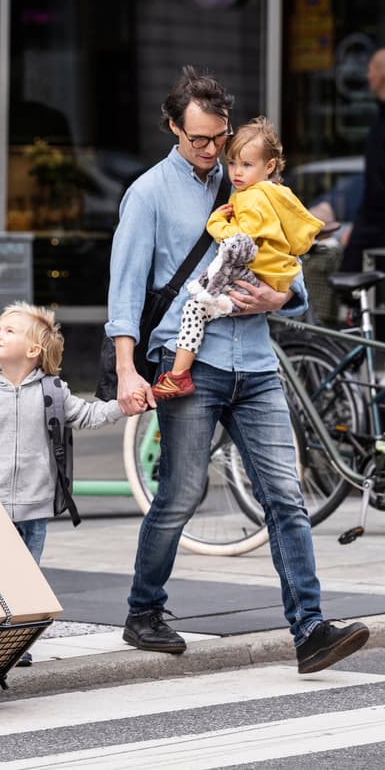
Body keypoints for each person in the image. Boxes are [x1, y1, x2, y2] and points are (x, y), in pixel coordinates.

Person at [107, 66, 369, 673]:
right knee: (180, 492)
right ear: (173, 127)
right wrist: (126, 369)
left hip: (254, 361)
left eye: (219, 139)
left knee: (286, 496)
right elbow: (124, 291)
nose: (211, 151)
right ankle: (144, 611)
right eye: (198, 139)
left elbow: (289, 268)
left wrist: (281, 298)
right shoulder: (148, 193)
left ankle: (309, 629)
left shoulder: (250, 183)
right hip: (187, 363)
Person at [0, 301, 125, 665]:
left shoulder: (52, 393)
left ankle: (13, 642)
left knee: (25, 578)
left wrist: (124, 406)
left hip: (34, 506)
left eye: (10, 330)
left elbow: (87, 415)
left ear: (32, 351)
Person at [152, 116, 324, 400]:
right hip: (272, 277)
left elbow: (240, 243)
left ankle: (179, 375)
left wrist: (216, 224)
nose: (236, 173)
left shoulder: (250, 198)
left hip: (250, 280)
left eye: (246, 164)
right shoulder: (279, 195)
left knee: (194, 309)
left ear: (269, 166)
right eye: (232, 163)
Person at [341, 47, 385, 272]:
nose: (367, 75)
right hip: (371, 228)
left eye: (370, 69)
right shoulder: (378, 119)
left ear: (381, 74)